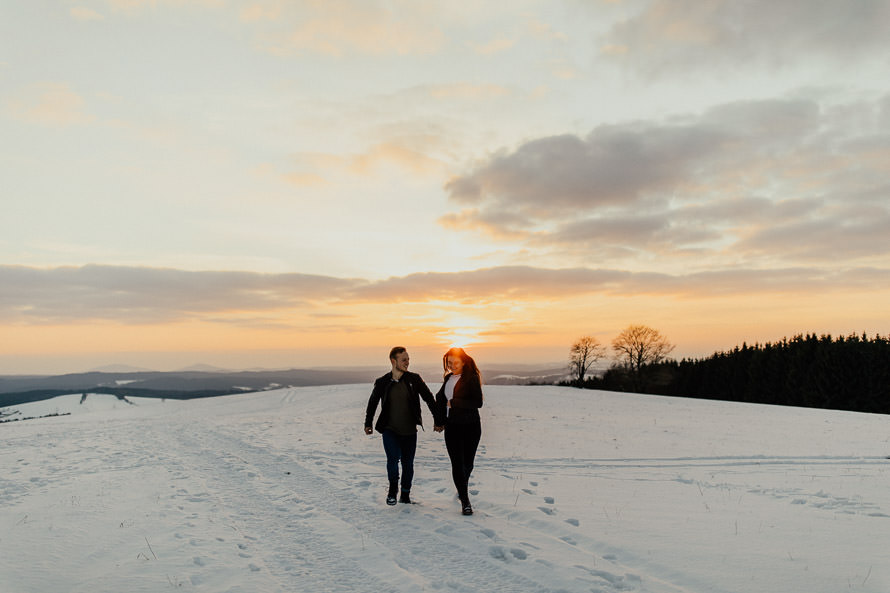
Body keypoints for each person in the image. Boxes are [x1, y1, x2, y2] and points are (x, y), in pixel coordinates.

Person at [365, 346, 444, 505]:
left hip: (409, 431)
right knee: (393, 460)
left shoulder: (414, 379)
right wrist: (368, 423)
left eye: (408, 359)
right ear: (393, 361)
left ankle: (405, 494)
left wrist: (438, 420)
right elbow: (373, 402)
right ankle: (393, 490)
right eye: (404, 359)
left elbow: (429, 398)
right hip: (390, 429)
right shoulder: (382, 382)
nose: (407, 362)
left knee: (408, 464)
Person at [435, 347, 483, 515]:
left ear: (463, 362)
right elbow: (440, 399)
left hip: (471, 426)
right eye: (449, 362)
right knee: (457, 464)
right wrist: (439, 421)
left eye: (455, 362)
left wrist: (455, 402)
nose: (452, 365)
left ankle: (462, 487)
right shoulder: (448, 378)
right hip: (452, 426)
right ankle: (465, 501)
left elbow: (477, 402)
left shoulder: (471, 378)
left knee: (467, 464)